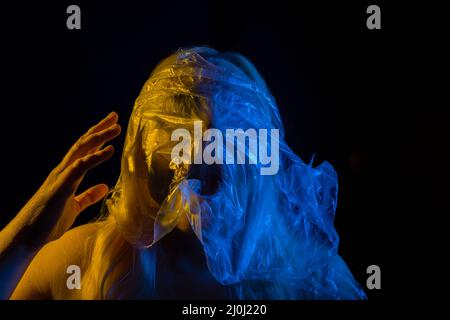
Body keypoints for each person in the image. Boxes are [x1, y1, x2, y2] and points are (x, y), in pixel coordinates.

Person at [1, 47, 366, 299]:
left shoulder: (314, 278)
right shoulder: (79, 261)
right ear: (142, 155)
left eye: (235, 139)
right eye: (182, 132)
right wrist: (23, 242)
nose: (206, 159)